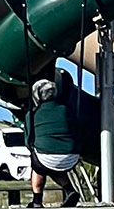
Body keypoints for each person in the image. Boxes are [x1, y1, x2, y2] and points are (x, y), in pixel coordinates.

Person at [24, 79, 80, 208]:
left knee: (38, 165)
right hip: (72, 157)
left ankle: (37, 201)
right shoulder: (67, 110)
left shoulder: (32, 114)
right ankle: (69, 190)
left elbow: (28, 141)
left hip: (46, 159)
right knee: (53, 166)